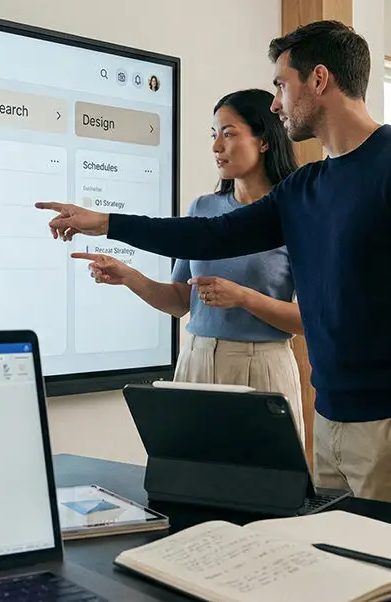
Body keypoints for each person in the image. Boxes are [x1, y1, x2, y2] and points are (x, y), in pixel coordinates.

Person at [35, 20, 391, 511]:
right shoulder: (306, 188)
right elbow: (212, 234)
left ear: (319, 80)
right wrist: (107, 222)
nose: (275, 103)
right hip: (330, 423)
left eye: (280, 84)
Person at [73, 89, 305, 431]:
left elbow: (307, 321)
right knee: (188, 479)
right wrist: (129, 276)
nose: (216, 147)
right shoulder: (203, 210)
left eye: (228, 134)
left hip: (262, 366)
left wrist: (244, 298)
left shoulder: (295, 214)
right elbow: (181, 302)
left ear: (265, 141)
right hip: (195, 361)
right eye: (214, 136)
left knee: (262, 483)